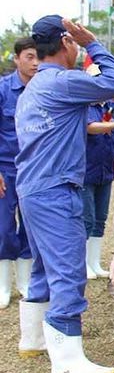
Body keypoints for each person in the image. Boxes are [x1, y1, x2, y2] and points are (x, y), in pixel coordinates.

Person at [15, 15, 114, 373]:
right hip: (55, 190)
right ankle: (67, 362)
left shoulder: (33, 88)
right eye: (75, 39)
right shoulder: (62, 82)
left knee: (43, 268)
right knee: (68, 270)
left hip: (31, 188)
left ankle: (33, 339)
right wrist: (94, 43)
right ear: (66, 42)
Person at [0, 38, 38, 309]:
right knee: (3, 228)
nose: (35, 62)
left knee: (29, 227)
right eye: (29, 56)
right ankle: (3, 286)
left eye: (38, 57)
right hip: (6, 169)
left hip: (34, 169)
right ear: (16, 59)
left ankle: (24, 282)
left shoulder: (41, 91)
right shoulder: (3, 90)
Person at [81, 64, 114, 280]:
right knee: (86, 219)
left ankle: (94, 263)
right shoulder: (84, 106)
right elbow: (90, 127)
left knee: (100, 219)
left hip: (106, 171)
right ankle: (83, 263)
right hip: (86, 171)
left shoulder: (110, 107)